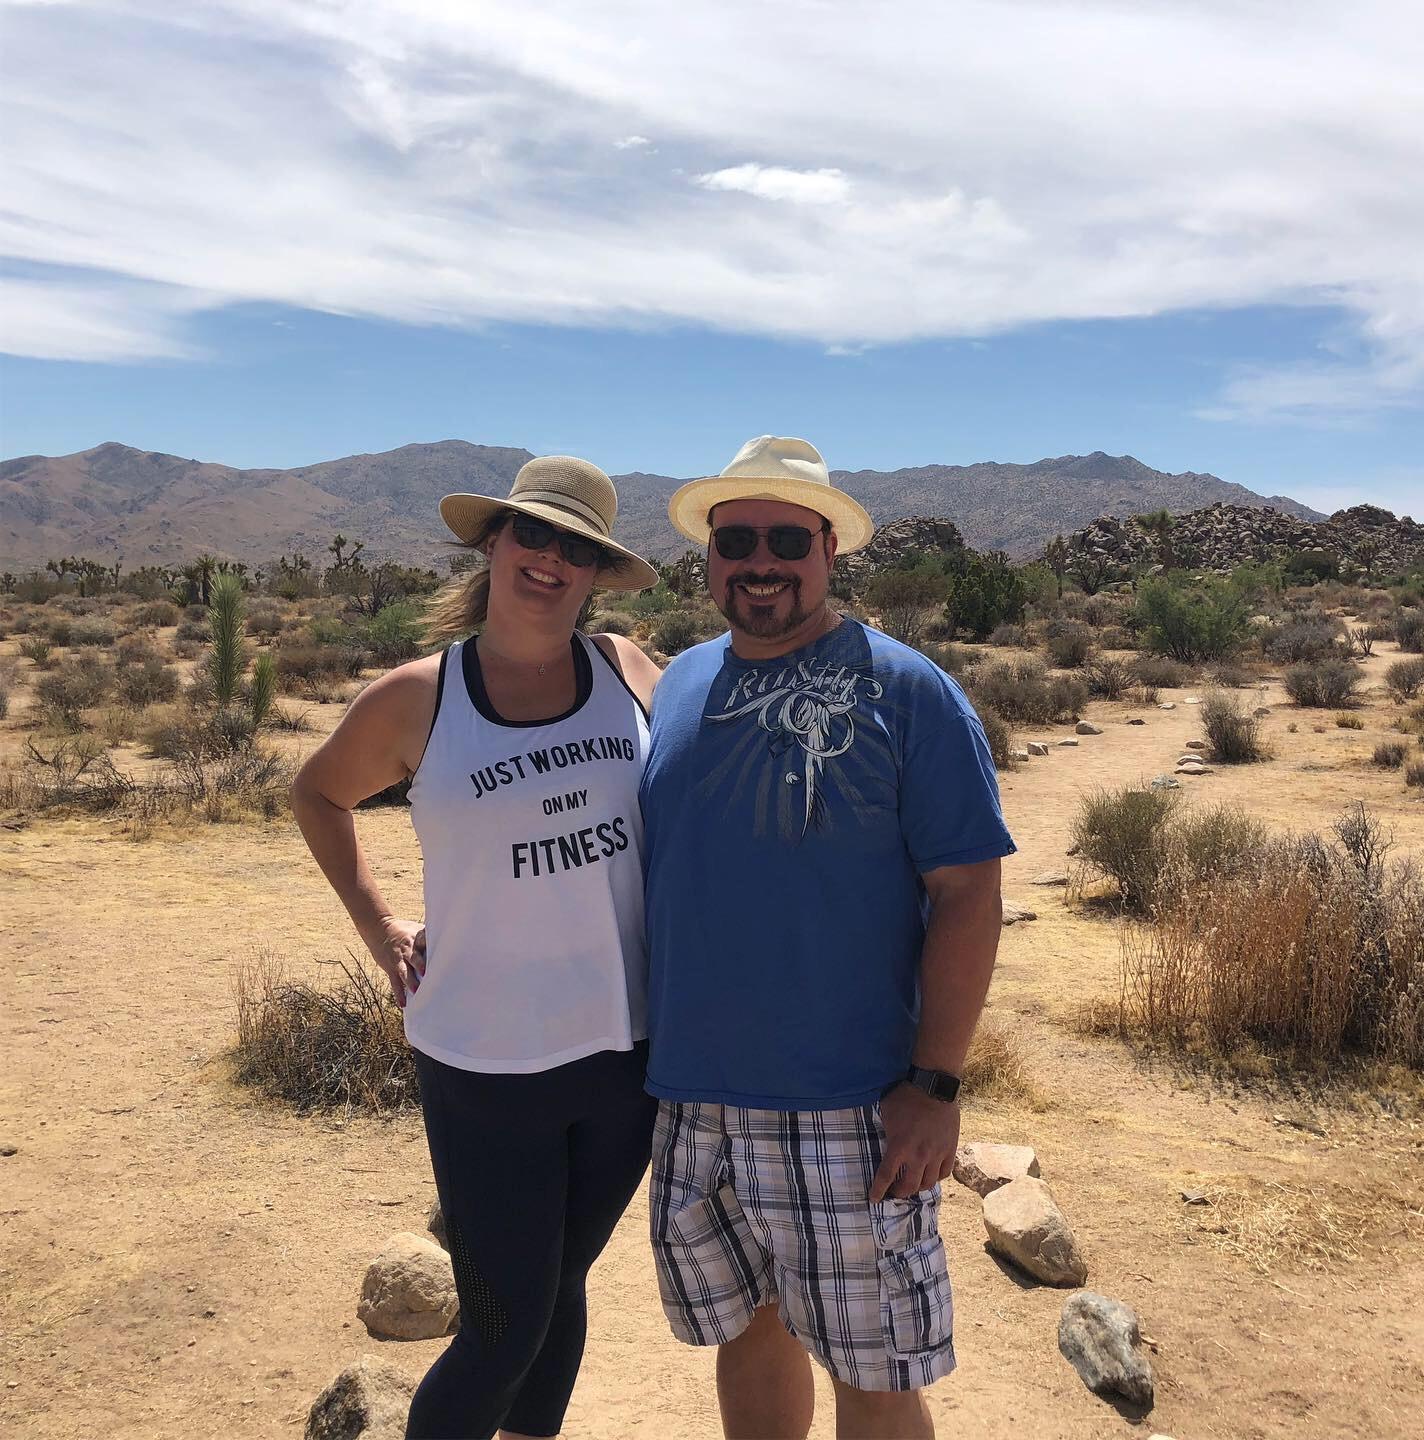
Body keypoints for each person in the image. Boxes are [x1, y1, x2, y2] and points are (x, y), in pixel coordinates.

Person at [640, 436, 1017, 1440]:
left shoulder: (908, 691)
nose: (758, 560)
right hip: (696, 1102)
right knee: (747, 1334)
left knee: (875, 1369)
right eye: (735, 540)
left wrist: (936, 1086)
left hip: (851, 1110)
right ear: (709, 556)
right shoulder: (678, 685)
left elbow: (969, 892)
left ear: (829, 550)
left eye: (784, 538)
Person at [291, 456, 663, 1440]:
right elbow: (318, 795)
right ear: (493, 543)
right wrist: (378, 926)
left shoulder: (630, 673)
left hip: (627, 1053)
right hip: (484, 1062)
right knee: (502, 1328)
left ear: (596, 572)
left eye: (576, 548)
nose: (551, 559)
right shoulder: (420, 698)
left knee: (563, 1288)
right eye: (532, 535)